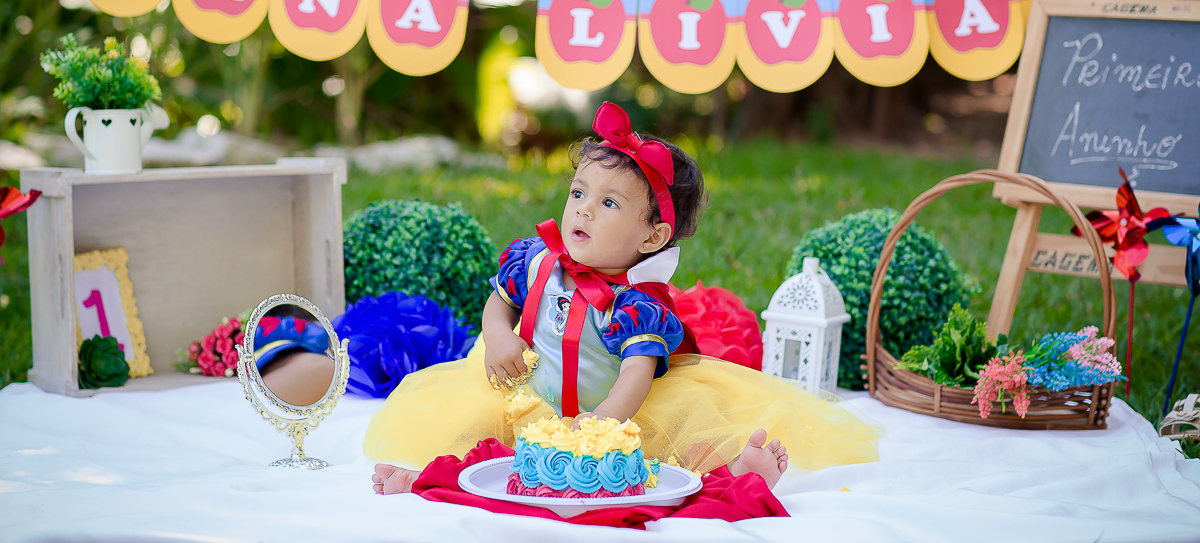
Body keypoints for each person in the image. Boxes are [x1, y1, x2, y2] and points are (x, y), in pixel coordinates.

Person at [368, 102, 881, 495]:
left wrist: (605, 424)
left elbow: (636, 374)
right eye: (578, 193)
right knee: (484, 449)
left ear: (652, 238)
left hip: (616, 414)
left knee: (665, 462)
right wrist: (498, 334)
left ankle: (739, 469)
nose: (583, 211)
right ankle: (427, 476)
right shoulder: (535, 260)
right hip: (527, 401)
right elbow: (500, 300)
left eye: (608, 202)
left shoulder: (636, 305)